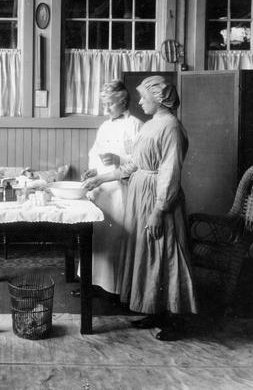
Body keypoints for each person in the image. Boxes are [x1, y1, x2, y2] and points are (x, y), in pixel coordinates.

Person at [83, 75, 198, 341]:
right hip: (140, 195)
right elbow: (132, 165)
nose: (140, 102)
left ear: (159, 99)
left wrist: (160, 209)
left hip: (159, 198)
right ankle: (155, 311)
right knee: (148, 254)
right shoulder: (150, 125)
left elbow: (170, 172)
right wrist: (100, 178)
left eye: (144, 98)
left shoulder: (171, 127)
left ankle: (176, 319)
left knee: (167, 254)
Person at [72, 80, 143, 299]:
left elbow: (140, 160)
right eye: (104, 105)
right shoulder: (105, 126)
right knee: (96, 238)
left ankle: (118, 289)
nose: (106, 109)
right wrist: (92, 170)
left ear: (123, 101)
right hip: (101, 189)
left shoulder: (135, 125)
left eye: (110, 104)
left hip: (122, 190)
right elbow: (95, 153)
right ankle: (91, 283)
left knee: (116, 238)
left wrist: (117, 158)